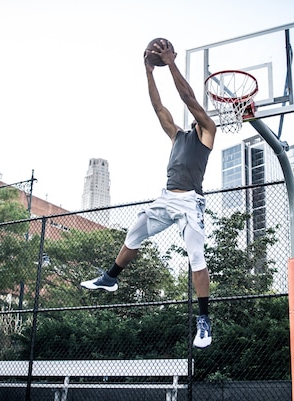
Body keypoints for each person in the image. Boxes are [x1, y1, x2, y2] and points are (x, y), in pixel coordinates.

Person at [79, 39, 217, 349]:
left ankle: (205, 320)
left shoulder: (207, 130)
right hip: (166, 198)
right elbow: (158, 107)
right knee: (134, 232)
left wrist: (170, 63)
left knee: (196, 256)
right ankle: (111, 277)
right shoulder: (177, 135)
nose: (194, 111)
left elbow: (187, 96)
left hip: (189, 202)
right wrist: (149, 72)